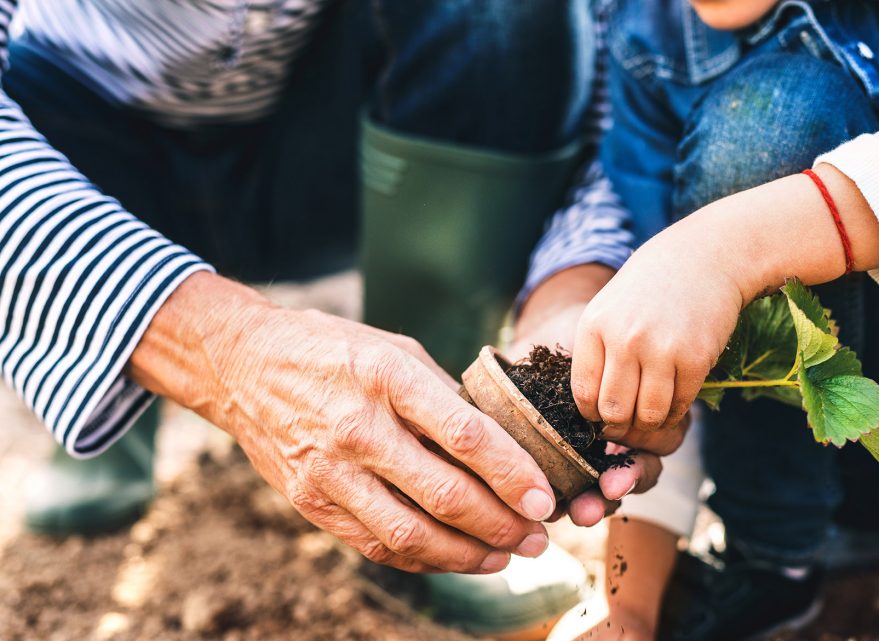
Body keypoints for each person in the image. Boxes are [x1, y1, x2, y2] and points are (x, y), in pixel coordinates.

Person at [0, 1, 680, 577]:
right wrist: (224, 349)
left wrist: (573, 285)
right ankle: (104, 392)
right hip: (79, 142)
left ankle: (438, 465)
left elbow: (617, 66)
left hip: (327, 147)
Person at [474, 0, 879, 641]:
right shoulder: (649, 40)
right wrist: (629, 605)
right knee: (770, 114)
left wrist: (731, 248)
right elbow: (659, 336)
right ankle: (769, 560)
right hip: (821, 484)